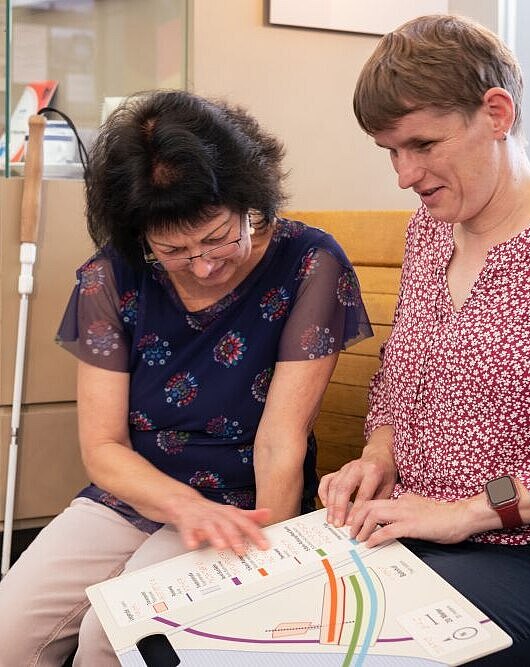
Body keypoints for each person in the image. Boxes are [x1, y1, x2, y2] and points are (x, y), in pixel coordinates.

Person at [319, 14, 530, 666]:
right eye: (390, 151)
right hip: (415, 537)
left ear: (496, 112)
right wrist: (378, 454)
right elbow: (400, 378)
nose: (403, 173)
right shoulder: (428, 231)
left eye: (421, 144)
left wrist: (470, 512)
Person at [0, 89, 372, 665]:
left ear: (249, 197)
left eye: (219, 237)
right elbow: (103, 447)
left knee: (113, 636)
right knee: (8, 632)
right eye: (172, 249)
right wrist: (181, 505)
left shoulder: (308, 263)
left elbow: (279, 443)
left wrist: (267, 554)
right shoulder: (112, 276)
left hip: (244, 502)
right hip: (134, 490)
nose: (203, 264)